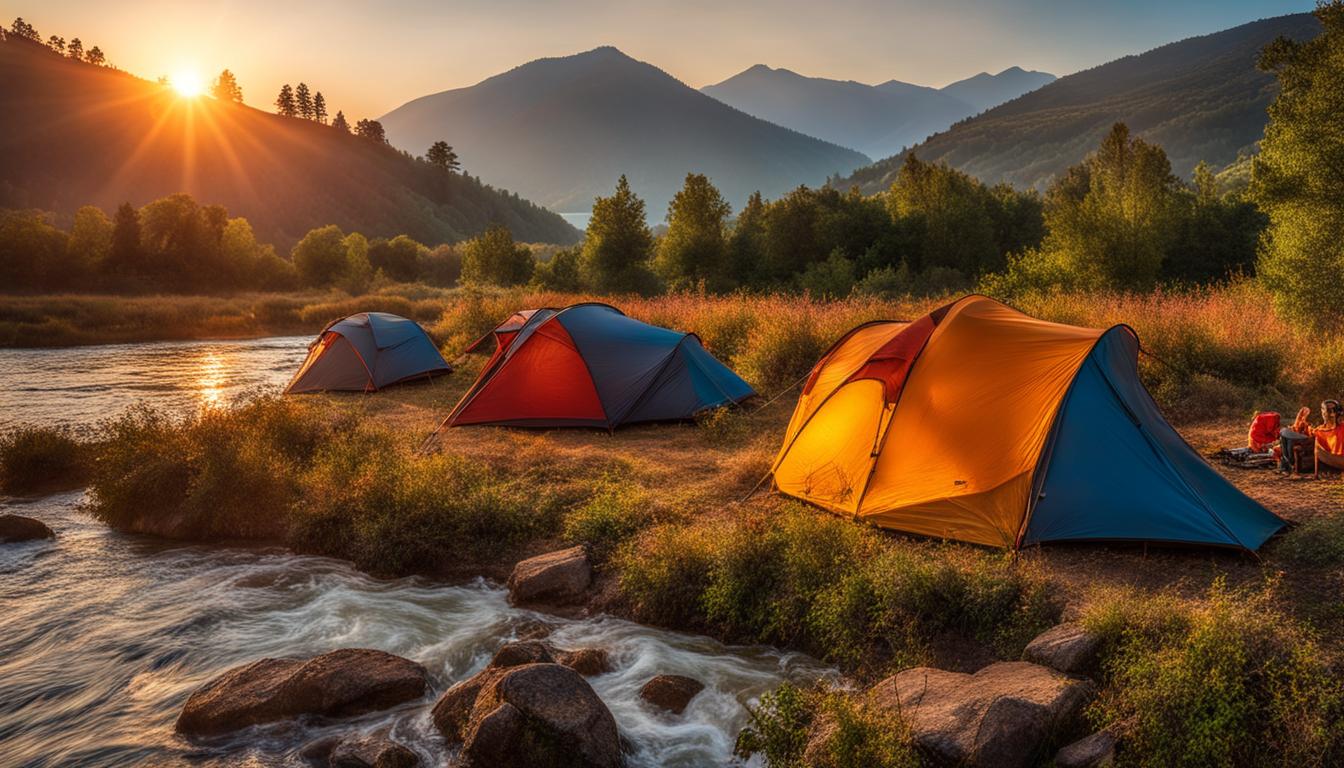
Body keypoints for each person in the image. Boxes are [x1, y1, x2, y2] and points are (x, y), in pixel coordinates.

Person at [1278, 406, 1313, 473]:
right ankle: (1287, 463)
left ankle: (1289, 462)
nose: (1303, 415)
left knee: (1289, 438)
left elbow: (1310, 433)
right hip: (1296, 436)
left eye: (1305, 413)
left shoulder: (1308, 423)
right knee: (1284, 435)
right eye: (1302, 413)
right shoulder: (1299, 421)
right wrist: (1292, 429)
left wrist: (1305, 427)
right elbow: (1295, 428)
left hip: (1304, 438)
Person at [1314, 399, 1344, 477]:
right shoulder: (1319, 430)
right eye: (1328, 410)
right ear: (1322, 412)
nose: (1331, 413)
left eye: (1333, 410)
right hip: (1330, 458)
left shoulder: (1342, 428)